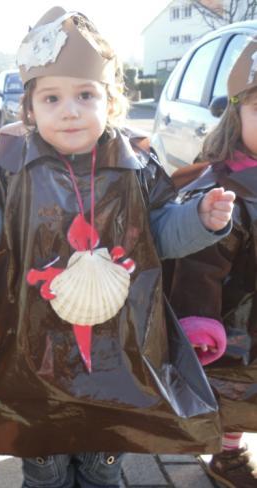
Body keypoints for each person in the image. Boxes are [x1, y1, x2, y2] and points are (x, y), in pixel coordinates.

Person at [0, 7, 236, 488]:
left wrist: (199, 221)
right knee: (44, 458)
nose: (70, 109)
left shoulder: (136, 169)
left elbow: (162, 238)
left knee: (104, 455)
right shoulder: (11, 173)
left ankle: (99, 471)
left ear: (110, 101)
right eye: (52, 97)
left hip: (123, 346)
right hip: (32, 347)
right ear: (30, 109)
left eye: (85, 95)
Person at [168, 38, 257, 488]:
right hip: (236, 318)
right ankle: (227, 454)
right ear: (236, 115)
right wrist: (199, 321)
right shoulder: (224, 192)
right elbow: (199, 265)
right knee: (239, 390)